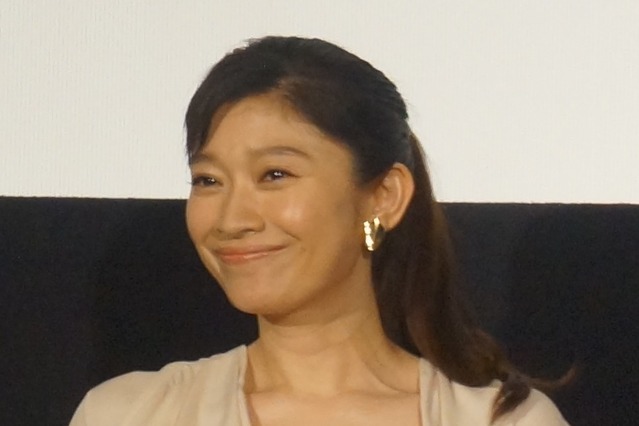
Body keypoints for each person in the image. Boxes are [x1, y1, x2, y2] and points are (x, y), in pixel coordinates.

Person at [70, 36, 568, 425]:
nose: (232, 219)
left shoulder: (501, 420)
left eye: (275, 175)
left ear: (385, 195)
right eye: (208, 180)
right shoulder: (128, 414)